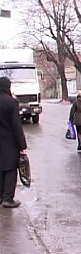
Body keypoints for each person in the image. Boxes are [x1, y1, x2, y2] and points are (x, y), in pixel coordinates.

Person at [0, 77, 27, 208]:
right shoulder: (11, 103)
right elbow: (16, 127)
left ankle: (0, 196)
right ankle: (8, 198)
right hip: (9, 142)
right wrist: (22, 146)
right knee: (10, 169)